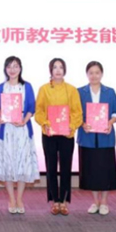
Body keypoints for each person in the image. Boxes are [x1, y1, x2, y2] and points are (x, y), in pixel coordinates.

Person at [35, 58, 83, 216]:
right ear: (50, 70)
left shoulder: (72, 90)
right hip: (49, 133)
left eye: (61, 67)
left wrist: (72, 125)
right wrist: (45, 123)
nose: (58, 70)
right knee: (50, 167)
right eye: (55, 67)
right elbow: (39, 111)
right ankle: (54, 201)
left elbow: (77, 112)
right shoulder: (44, 89)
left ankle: (64, 201)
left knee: (66, 167)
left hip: (66, 133)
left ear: (65, 70)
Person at [0, 56, 39, 214]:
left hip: (22, 129)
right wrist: (1, 116)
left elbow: (31, 107)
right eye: (9, 67)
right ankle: (11, 199)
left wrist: (24, 120)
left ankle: (19, 198)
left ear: (20, 68)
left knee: (22, 164)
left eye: (15, 66)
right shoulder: (1, 87)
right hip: (7, 130)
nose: (12, 70)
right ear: (5, 69)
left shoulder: (27, 86)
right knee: (8, 163)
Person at [77, 61, 116, 216]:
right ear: (87, 74)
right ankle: (95, 201)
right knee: (91, 170)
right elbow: (75, 113)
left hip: (105, 136)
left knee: (105, 170)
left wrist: (110, 122)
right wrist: (82, 123)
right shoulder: (79, 92)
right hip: (87, 136)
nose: (94, 76)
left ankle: (104, 202)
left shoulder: (110, 91)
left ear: (102, 74)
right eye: (91, 73)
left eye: (97, 72)